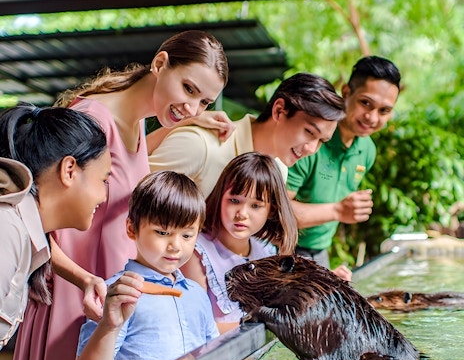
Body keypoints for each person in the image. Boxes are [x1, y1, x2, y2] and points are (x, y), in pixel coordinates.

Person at [2, 29, 229, 360]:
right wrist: (83, 279)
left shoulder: (138, 124)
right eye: (189, 89)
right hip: (76, 299)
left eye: (204, 101)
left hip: (113, 296)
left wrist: (192, 121)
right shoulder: (91, 117)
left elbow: (127, 168)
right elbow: (35, 216)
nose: (192, 105)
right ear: (160, 64)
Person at [75, 170, 219, 360]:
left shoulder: (197, 294)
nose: (176, 245)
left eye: (187, 235)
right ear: (132, 228)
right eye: (162, 233)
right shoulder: (116, 294)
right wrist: (109, 323)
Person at [0, 103, 110, 348]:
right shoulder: (8, 230)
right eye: (104, 180)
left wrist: (86, 280)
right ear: (69, 170)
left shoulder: (23, 232)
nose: (104, 196)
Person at [286, 56, 401, 278]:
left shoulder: (367, 150)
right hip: (279, 249)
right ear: (346, 92)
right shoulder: (312, 139)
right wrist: (339, 210)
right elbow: (275, 212)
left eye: (384, 111)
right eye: (365, 103)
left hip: (319, 252)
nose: (372, 117)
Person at [148, 72, 346, 197]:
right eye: (309, 132)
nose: (312, 148)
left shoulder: (278, 172)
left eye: (321, 141)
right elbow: (129, 204)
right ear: (279, 111)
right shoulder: (199, 145)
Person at [182, 152, 298, 334]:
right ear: (220, 197)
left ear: (272, 210)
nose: (242, 213)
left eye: (255, 205)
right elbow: (195, 330)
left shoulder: (266, 251)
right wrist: (265, 325)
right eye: (234, 200)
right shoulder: (198, 253)